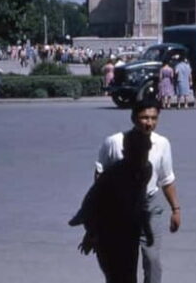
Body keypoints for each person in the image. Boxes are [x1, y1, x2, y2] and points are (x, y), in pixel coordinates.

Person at [96, 99, 181, 283]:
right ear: (134, 118)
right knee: (124, 264)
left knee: (152, 260)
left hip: (149, 206)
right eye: (144, 117)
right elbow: (100, 178)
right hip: (120, 210)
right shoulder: (114, 142)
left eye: (153, 118)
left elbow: (167, 179)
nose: (149, 122)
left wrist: (176, 210)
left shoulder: (162, 144)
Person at [72, 129, 153, 283]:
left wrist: (146, 228)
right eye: (135, 153)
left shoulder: (146, 170)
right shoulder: (113, 176)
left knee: (129, 278)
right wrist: (91, 234)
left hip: (129, 234)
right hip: (107, 235)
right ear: (125, 152)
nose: (139, 158)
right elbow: (91, 204)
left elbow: (140, 201)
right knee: (116, 278)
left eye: (143, 153)